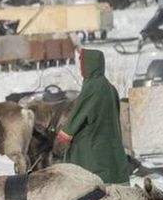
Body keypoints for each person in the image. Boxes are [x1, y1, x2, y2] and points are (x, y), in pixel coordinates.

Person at [55, 48, 129, 184]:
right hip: (109, 140)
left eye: (82, 64)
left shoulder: (92, 87)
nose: (81, 69)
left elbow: (79, 113)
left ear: (90, 64)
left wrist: (65, 133)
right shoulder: (109, 87)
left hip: (92, 141)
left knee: (84, 172)